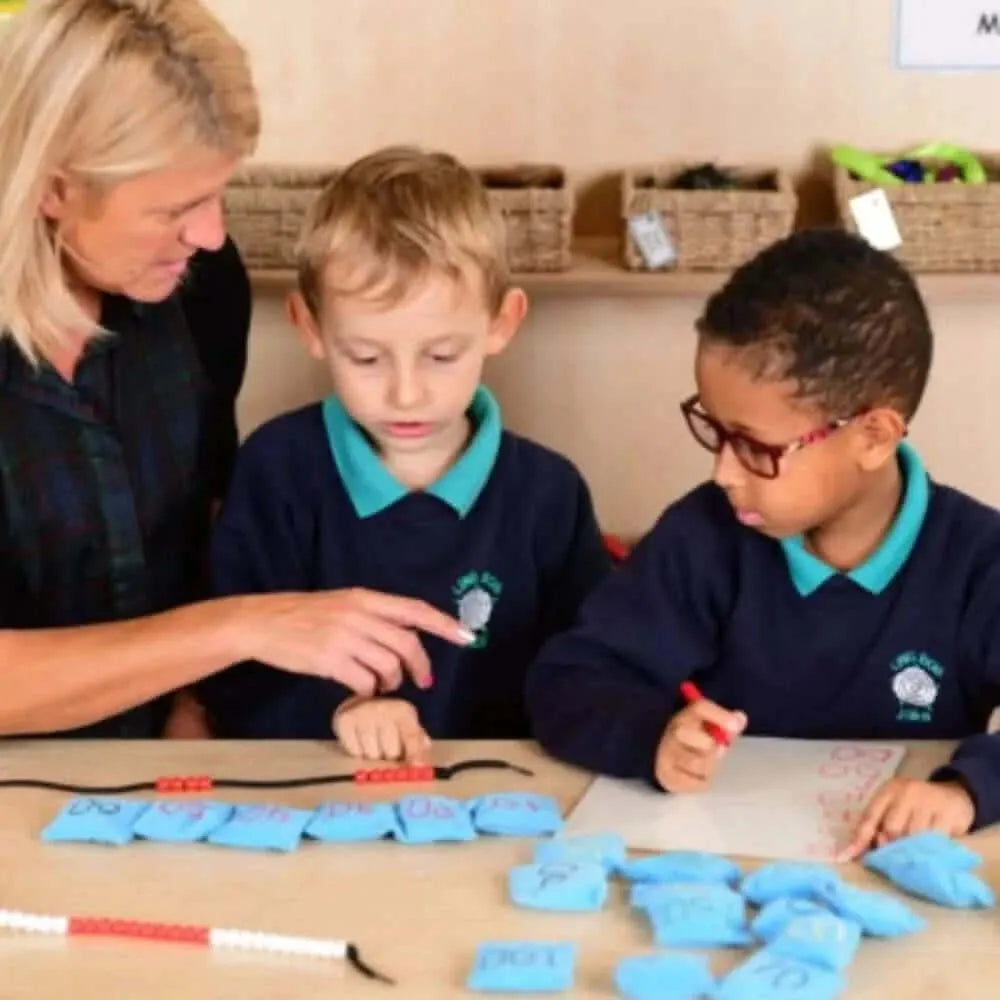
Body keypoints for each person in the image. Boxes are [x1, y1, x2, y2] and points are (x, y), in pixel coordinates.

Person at [0, 0, 468, 740]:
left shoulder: (202, 287)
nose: (210, 232)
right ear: (53, 188)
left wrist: (197, 709)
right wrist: (239, 628)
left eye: (219, 192)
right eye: (174, 207)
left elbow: (204, 525)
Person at [527, 228, 1000, 857]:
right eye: (714, 433)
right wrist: (653, 739)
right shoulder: (704, 538)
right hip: (724, 878)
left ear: (873, 436)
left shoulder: (979, 560)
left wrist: (966, 791)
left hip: (900, 880)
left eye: (753, 446)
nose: (723, 471)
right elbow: (568, 681)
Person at [198, 146, 610, 758]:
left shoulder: (549, 493)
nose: (407, 392)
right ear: (309, 326)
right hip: (317, 795)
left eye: (442, 355)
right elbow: (228, 670)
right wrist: (340, 708)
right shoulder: (277, 470)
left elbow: (589, 668)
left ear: (503, 322)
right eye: (365, 357)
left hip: (500, 803)